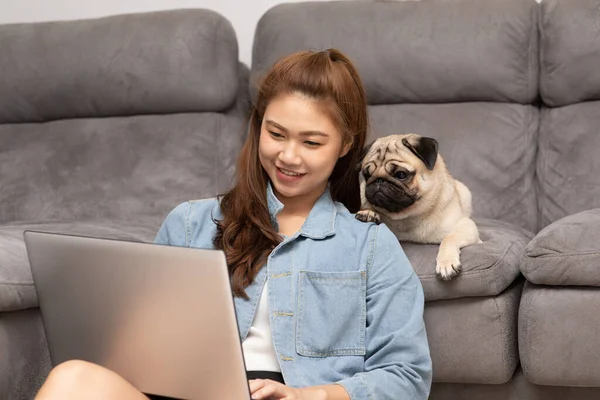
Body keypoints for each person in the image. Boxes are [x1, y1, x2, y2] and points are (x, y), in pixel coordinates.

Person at [35, 48, 432, 400]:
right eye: (276, 134)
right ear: (257, 126)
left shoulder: (370, 245)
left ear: (346, 145)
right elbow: (140, 349)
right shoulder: (190, 223)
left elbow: (407, 376)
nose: (288, 156)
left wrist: (312, 395)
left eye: (311, 143)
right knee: (72, 379)